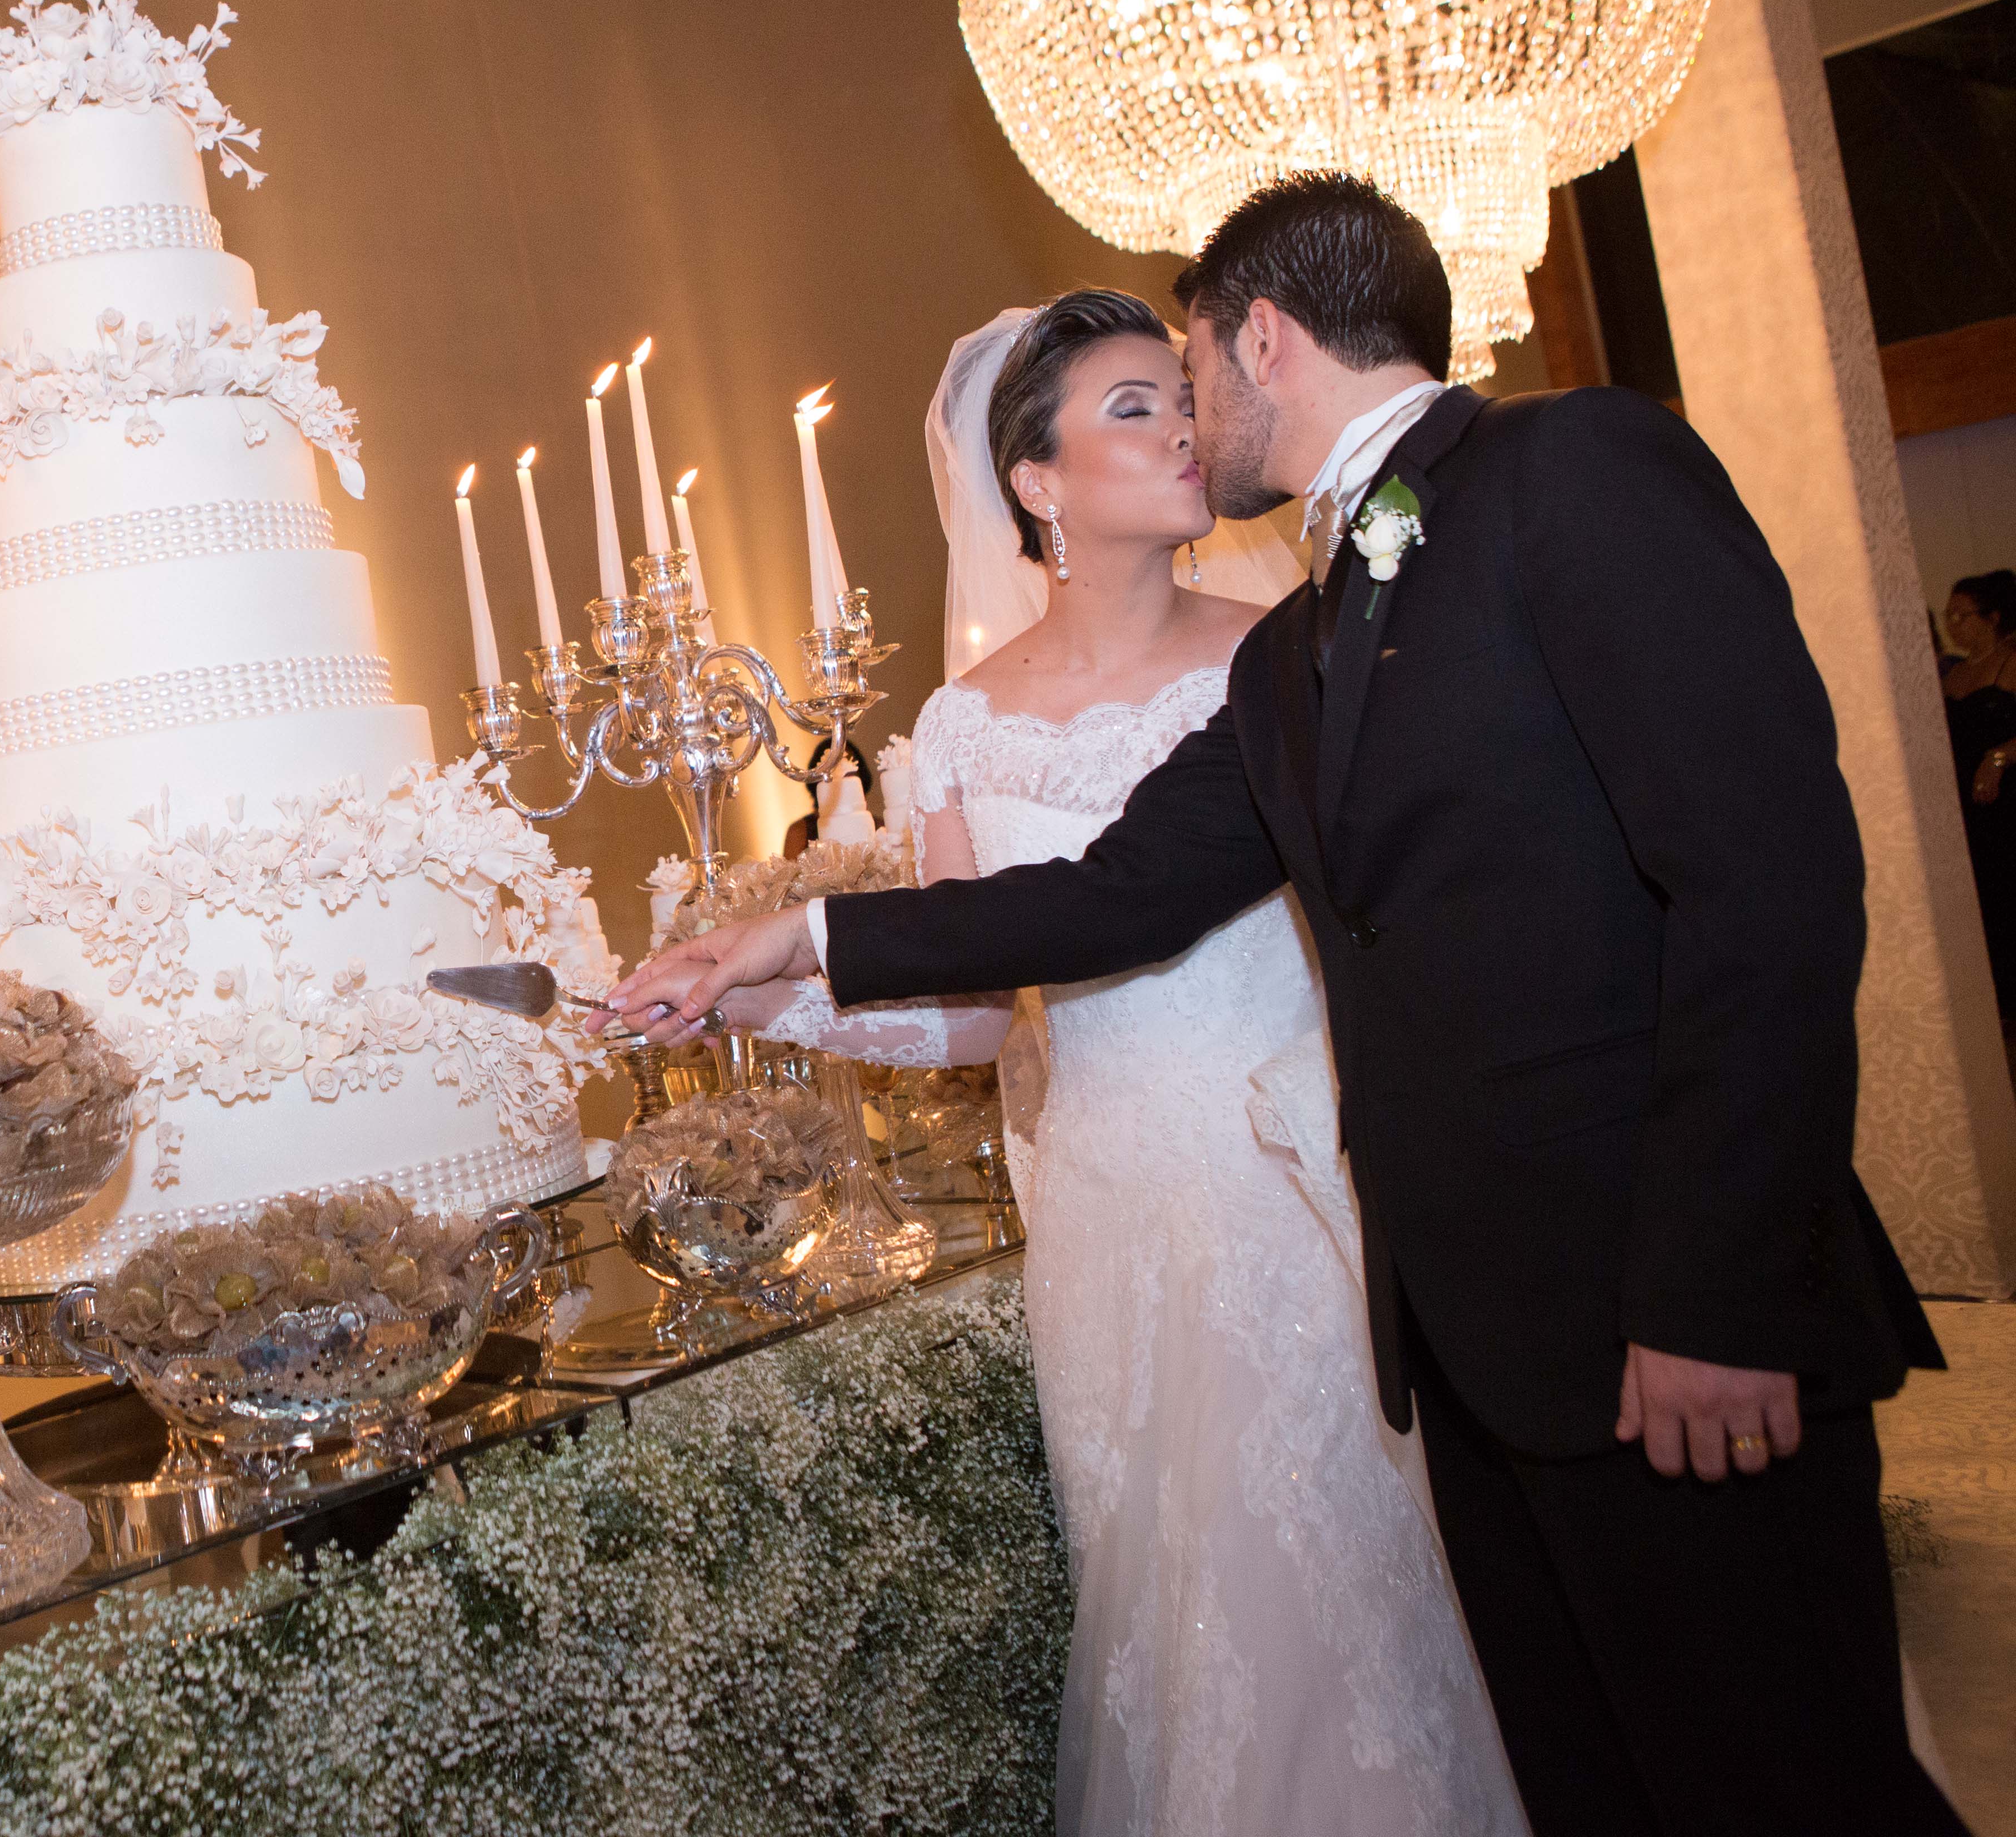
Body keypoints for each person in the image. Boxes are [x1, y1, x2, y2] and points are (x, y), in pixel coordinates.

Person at [610, 175, 1958, 1836]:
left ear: (1263, 338)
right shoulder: (1304, 638)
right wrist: (794, 943)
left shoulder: (1570, 473)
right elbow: (1110, 897)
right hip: (1474, 1352)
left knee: (1792, 1788)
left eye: (1190, 370)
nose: (1189, 412)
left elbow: (1767, 894)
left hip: (1666, 1314)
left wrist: (1714, 1296)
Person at [718, 285, 1524, 1834]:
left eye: (1182, 394)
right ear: (1036, 485)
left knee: (1365, 1580)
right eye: (1134, 407)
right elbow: (972, 1007)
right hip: (1103, 1205)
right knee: (1188, 1609)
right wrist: (775, 1000)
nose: (1184, 427)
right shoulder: (956, 730)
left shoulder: (1288, 661)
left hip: (1300, 1173)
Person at [1940, 570, 2016, 1021]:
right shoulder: (1955, 673)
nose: (1953, 625)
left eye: (1962, 616)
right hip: (1969, 810)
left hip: (2009, 800)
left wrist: (2001, 757)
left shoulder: (2011, 660)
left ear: (1993, 616)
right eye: (1949, 617)